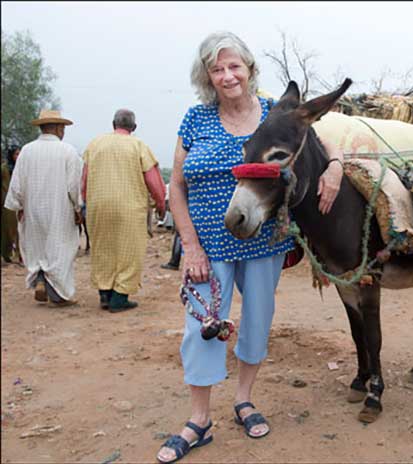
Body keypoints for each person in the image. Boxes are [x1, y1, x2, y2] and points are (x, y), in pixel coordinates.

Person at [156, 31, 344, 463]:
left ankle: (244, 399)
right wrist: (190, 245)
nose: (227, 76)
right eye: (217, 68)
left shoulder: (270, 112)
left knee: (258, 322)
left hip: (265, 243)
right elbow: (177, 186)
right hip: (206, 246)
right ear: (207, 76)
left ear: (249, 69)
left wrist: (334, 165)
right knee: (200, 328)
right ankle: (199, 419)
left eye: (234, 66)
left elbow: (317, 139)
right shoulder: (195, 119)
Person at [82, 109, 166, 312]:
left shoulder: (94, 144)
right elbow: (153, 181)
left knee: (102, 248)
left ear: (113, 124)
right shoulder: (138, 146)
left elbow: (84, 180)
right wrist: (160, 204)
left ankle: (105, 293)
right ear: (134, 127)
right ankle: (119, 297)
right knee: (130, 250)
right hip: (129, 207)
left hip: (98, 205)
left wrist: (86, 202)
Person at [3, 110, 83, 306]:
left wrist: (19, 206)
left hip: (33, 209)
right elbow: (74, 187)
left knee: (38, 247)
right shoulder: (68, 151)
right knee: (60, 249)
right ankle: (58, 293)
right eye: (62, 128)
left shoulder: (27, 151)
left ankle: (40, 280)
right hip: (60, 209)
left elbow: (17, 184)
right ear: (57, 128)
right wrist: (77, 209)